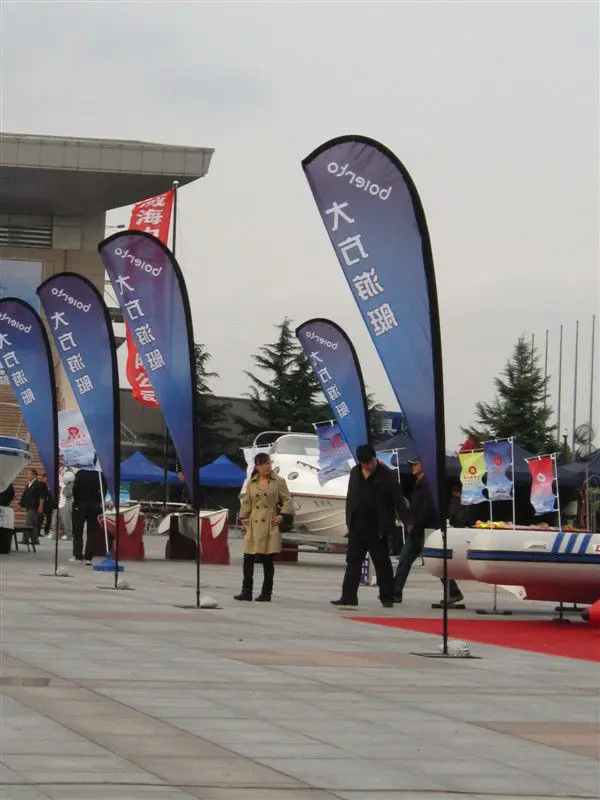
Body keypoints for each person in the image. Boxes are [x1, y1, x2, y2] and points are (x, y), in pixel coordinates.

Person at [331, 444, 404, 608]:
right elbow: (351, 497)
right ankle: (348, 596)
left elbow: (398, 499)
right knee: (352, 561)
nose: (368, 466)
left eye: (370, 462)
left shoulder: (386, 475)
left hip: (377, 527)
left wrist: (408, 521)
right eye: (365, 463)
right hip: (357, 525)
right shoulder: (355, 473)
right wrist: (349, 520)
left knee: (382, 563)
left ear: (374, 458)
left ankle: (387, 597)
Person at [394, 459, 464, 606]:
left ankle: (453, 591)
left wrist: (413, 523)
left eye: (415, 464)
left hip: (426, 529)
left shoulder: (428, 485)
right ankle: (395, 592)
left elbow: (427, 509)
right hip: (420, 529)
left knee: (435, 563)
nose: (412, 466)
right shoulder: (420, 484)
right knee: (406, 561)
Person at [235, 452, 294, 602]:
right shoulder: (251, 482)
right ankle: (246, 591)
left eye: (268, 463)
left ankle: (266, 593)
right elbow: (247, 501)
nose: (267, 466)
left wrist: (281, 516)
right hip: (254, 524)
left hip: (270, 523)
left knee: (268, 559)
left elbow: (288, 500)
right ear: (257, 466)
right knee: (248, 557)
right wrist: (243, 518)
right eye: (263, 464)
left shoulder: (278, 481)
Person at [70, 468, 108, 565]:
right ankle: (88, 558)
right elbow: (104, 489)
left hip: (80, 505)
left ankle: (78, 555)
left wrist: (77, 500)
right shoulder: (99, 474)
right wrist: (98, 500)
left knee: (77, 531)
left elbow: (75, 489)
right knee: (92, 532)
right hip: (94, 506)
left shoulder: (80, 473)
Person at [19, 468, 44, 545]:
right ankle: (35, 540)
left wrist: (40, 506)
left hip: (34, 506)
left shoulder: (38, 483)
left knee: (28, 523)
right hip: (29, 506)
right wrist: (21, 505)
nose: (28, 475)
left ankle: (25, 539)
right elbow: (25, 495)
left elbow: (41, 496)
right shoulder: (29, 484)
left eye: (29, 474)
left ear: (34, 475)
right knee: (32, 524)